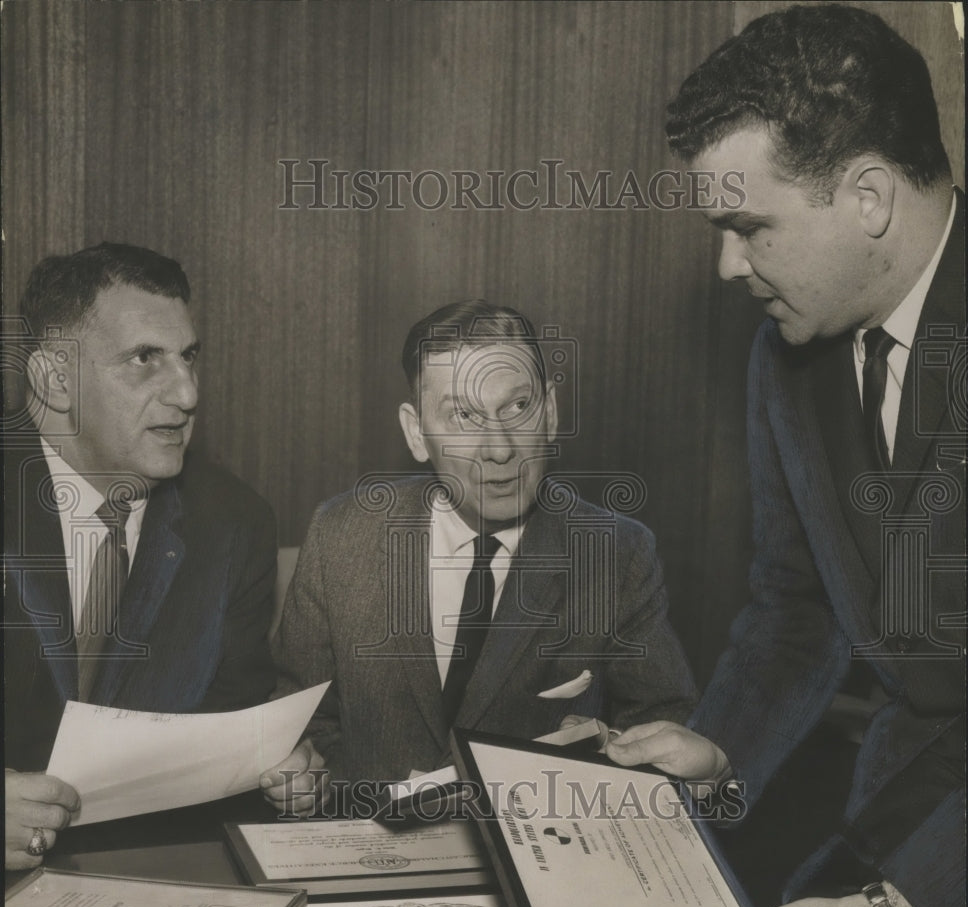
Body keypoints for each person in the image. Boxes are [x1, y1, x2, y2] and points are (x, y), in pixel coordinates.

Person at [606, 6, 965, 907]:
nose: (727, 267)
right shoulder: (788, 352)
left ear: (866, 197)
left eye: (747, 227)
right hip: (896, 796)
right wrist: (718, 747)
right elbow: (794, 606)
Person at [274, 299, 696, 791]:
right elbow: (303, 728)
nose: (499, 449)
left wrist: (606, 752)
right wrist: (305, 781)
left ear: (551, 412)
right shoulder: (341, 535)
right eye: (463, 416)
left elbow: (666, 733)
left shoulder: (616, 555)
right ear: (416, 433)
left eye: (518, 407)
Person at [3, 242, 322, 869]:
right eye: (145, 359)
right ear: (54, 378)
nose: (186, 392)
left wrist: (281, 770)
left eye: (189, 357)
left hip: (159, 880)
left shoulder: (233, 522)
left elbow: (237, 721)